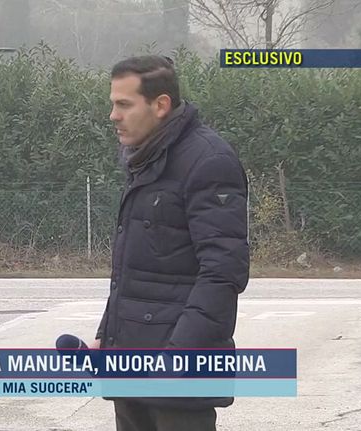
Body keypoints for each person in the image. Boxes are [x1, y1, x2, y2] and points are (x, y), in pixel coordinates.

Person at [92, 55, 250, 430]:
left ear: (160, 105)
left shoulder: (208, 162)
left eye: (124, 104)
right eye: (113, 104)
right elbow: (136, 270)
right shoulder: (144, 160)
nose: (113, 115)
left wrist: (179, 355)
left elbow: (223, 272)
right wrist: (106, 334)